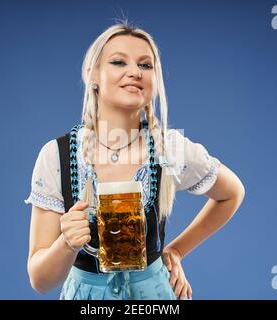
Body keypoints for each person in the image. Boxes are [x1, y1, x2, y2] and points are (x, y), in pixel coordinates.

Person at [24, 22, 245, 300]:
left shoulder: (170, 147)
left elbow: (232, 193)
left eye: (146, 65)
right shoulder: (56, 155)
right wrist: (66, 244)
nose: (134, 72)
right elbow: (40, 282)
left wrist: (176, 250)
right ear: (93, 75)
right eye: (118, 62)